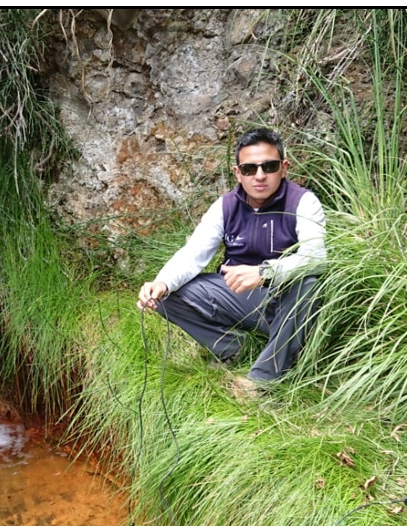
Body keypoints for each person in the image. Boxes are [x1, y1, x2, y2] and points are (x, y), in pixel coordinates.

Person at [137, 128, 325, 396]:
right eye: (249, 169)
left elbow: (317, 257)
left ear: (283, 168)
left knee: (309, 285)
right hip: (238, 297)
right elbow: (193, 254)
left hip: (286, 297)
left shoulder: (303, 202)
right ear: (238, 173)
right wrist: (161, 283)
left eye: (269, 166)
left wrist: (265, 272)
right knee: (169, 294)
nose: (260, 176)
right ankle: (233, 348)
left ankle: (262, 382)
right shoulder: (225, 206)